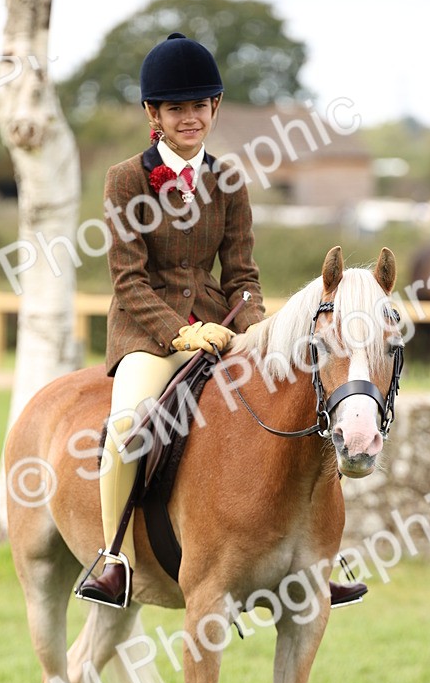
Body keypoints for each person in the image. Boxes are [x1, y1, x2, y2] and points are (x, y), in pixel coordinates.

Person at [77, 32, 367, 610]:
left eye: (201, 105)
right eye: (177, 108)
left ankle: (317, 557)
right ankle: (114, 559)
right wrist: (179, 332)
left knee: (303, 403)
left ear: (214, 107)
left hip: (222, 329)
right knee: (131, 423)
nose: (191, 117)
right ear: (152, 114)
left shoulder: (228, 179)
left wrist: (257, 327)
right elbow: (128, 279)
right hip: (148, 334)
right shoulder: (125, 180)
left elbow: (243, 274)